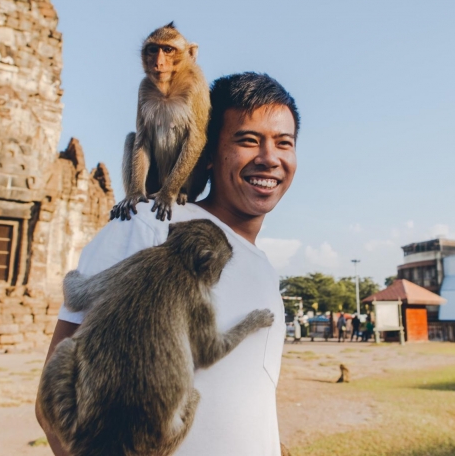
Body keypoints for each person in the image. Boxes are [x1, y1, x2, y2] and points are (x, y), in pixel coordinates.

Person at [37, 72, 299, 456]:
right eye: (248, 140)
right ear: (207, 152)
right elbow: (55, 408)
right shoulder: (150, 225)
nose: (269, 158)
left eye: (284, 143)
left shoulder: (264, 269)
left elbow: (244, 402)